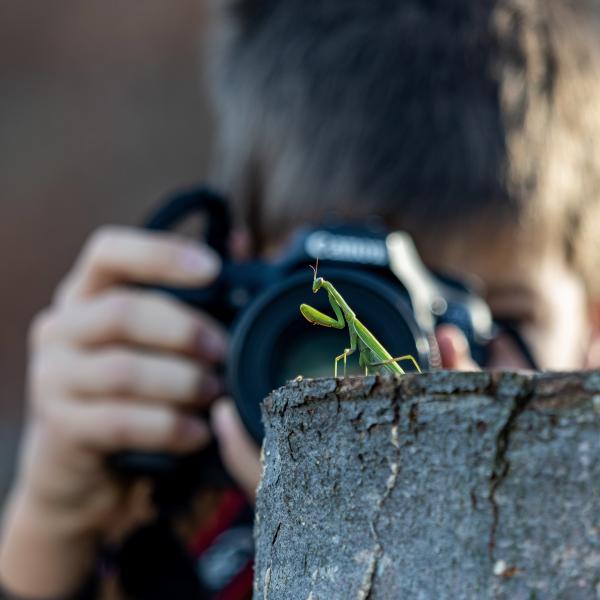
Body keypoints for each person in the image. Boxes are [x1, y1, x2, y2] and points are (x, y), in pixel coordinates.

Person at [2, 0, 600, 598]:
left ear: (592, 328)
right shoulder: (185, 531)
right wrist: (54, 529)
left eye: (495, 316)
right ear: (247, 291)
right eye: (346, 308)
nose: (392, 392)